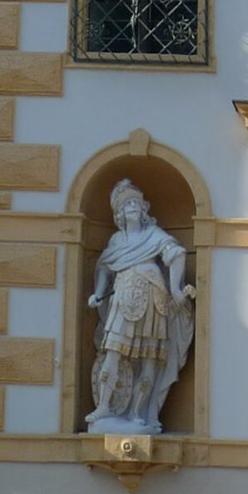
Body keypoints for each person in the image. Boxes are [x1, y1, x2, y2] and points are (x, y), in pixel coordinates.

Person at [86, 179, 196, 436]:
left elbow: (176, 253)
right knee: (112, 352)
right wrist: (99, 293)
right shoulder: (116, 241)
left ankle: (138, 413)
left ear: (144, 210)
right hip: (124, 298)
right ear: (120, 214)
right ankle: (103, 407)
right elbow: (104, 266)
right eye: (127, 204)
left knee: (150, 359)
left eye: (136, 202)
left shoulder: (153, 235)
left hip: (154, 298)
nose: (133, 206)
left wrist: (176, 289)